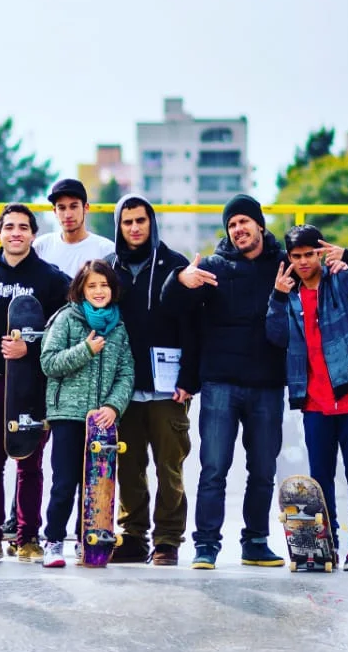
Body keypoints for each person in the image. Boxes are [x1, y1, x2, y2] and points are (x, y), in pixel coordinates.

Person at [162, 194, 287, 570]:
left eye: (244, 222)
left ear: (260, 225)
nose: (238, 229)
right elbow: (172, 306)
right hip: (220, 385)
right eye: (232, 225)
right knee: (214, 468)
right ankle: (206, 546)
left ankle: (256, 542)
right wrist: (180, 279)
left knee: (263, 469)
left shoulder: (283, 267)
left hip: (267, 385)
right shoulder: (213, 267)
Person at [266, 226, 348, 570]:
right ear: (289, 259)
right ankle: (327, 543)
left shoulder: (342, 279)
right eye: (297, 256)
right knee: (320, 479)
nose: (304, 262)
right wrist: (276, 297)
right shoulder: (287, 295)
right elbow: (275, 338)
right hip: (314, 402)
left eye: (309, 254)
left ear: (320, 253)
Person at [0, 203, 68, 564]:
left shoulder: (52, 279)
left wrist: (31, 347)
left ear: (33, 233)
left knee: (29, 463)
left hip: (33, 385)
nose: (15, 233)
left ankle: (28, 537)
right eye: (9, 227)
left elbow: (65, 331)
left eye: (23, 227)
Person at [105, 195, 198, 565]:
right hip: (123, 390)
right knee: (128, 468)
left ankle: (167, 540)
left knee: (168, 466)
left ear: (151, 222)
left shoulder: (175, 266)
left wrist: (189, 378)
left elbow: (192, 326)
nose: (134, 228)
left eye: (140, 220)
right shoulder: (108, 268)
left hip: (168, 388)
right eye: (127, 222)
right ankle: (133, 537)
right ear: (118, 226)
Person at [39, 260, 134, 568]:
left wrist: (113, 406)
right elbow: (49, 362)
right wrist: (86, 350)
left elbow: (126, 373)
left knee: (95, 485)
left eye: (104, 285)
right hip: (67, 414)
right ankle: (53, 540)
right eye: (91, 285)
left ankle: (87, 538)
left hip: (102, 422)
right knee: (65, 481)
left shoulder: (118, 327)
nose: (98, 291)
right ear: (80, 289)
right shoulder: (66, 319)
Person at [33, 178, 116, 278]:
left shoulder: (106, 250)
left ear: (86, 208)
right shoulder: (41, 246)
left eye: (73, 206)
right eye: (62, 208)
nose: (68, 214)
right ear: (55, 211)